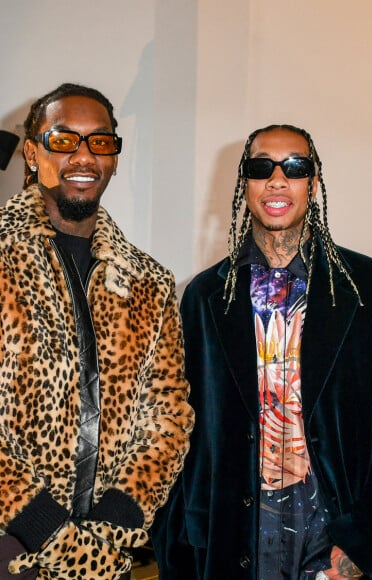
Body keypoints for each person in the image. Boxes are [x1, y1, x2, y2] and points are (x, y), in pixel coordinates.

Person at [152, 124, 372, 580]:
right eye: (262, 167)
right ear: (245, 182)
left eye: (295, 167)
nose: (277, 179)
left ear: (313, 182)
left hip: (333, 540)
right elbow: (181, 430)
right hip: (228, 540)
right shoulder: (204, 298)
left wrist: (367, 541)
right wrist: (175, 542)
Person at [0, 83, 194, 579]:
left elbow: (168, 417)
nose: (83, 156)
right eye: (63, 140)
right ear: (32, 151)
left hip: (107, 554)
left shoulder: (147, 279)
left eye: (100, 142)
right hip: (10, 547)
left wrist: (114, 525)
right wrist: (47, 530)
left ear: (113, 158)